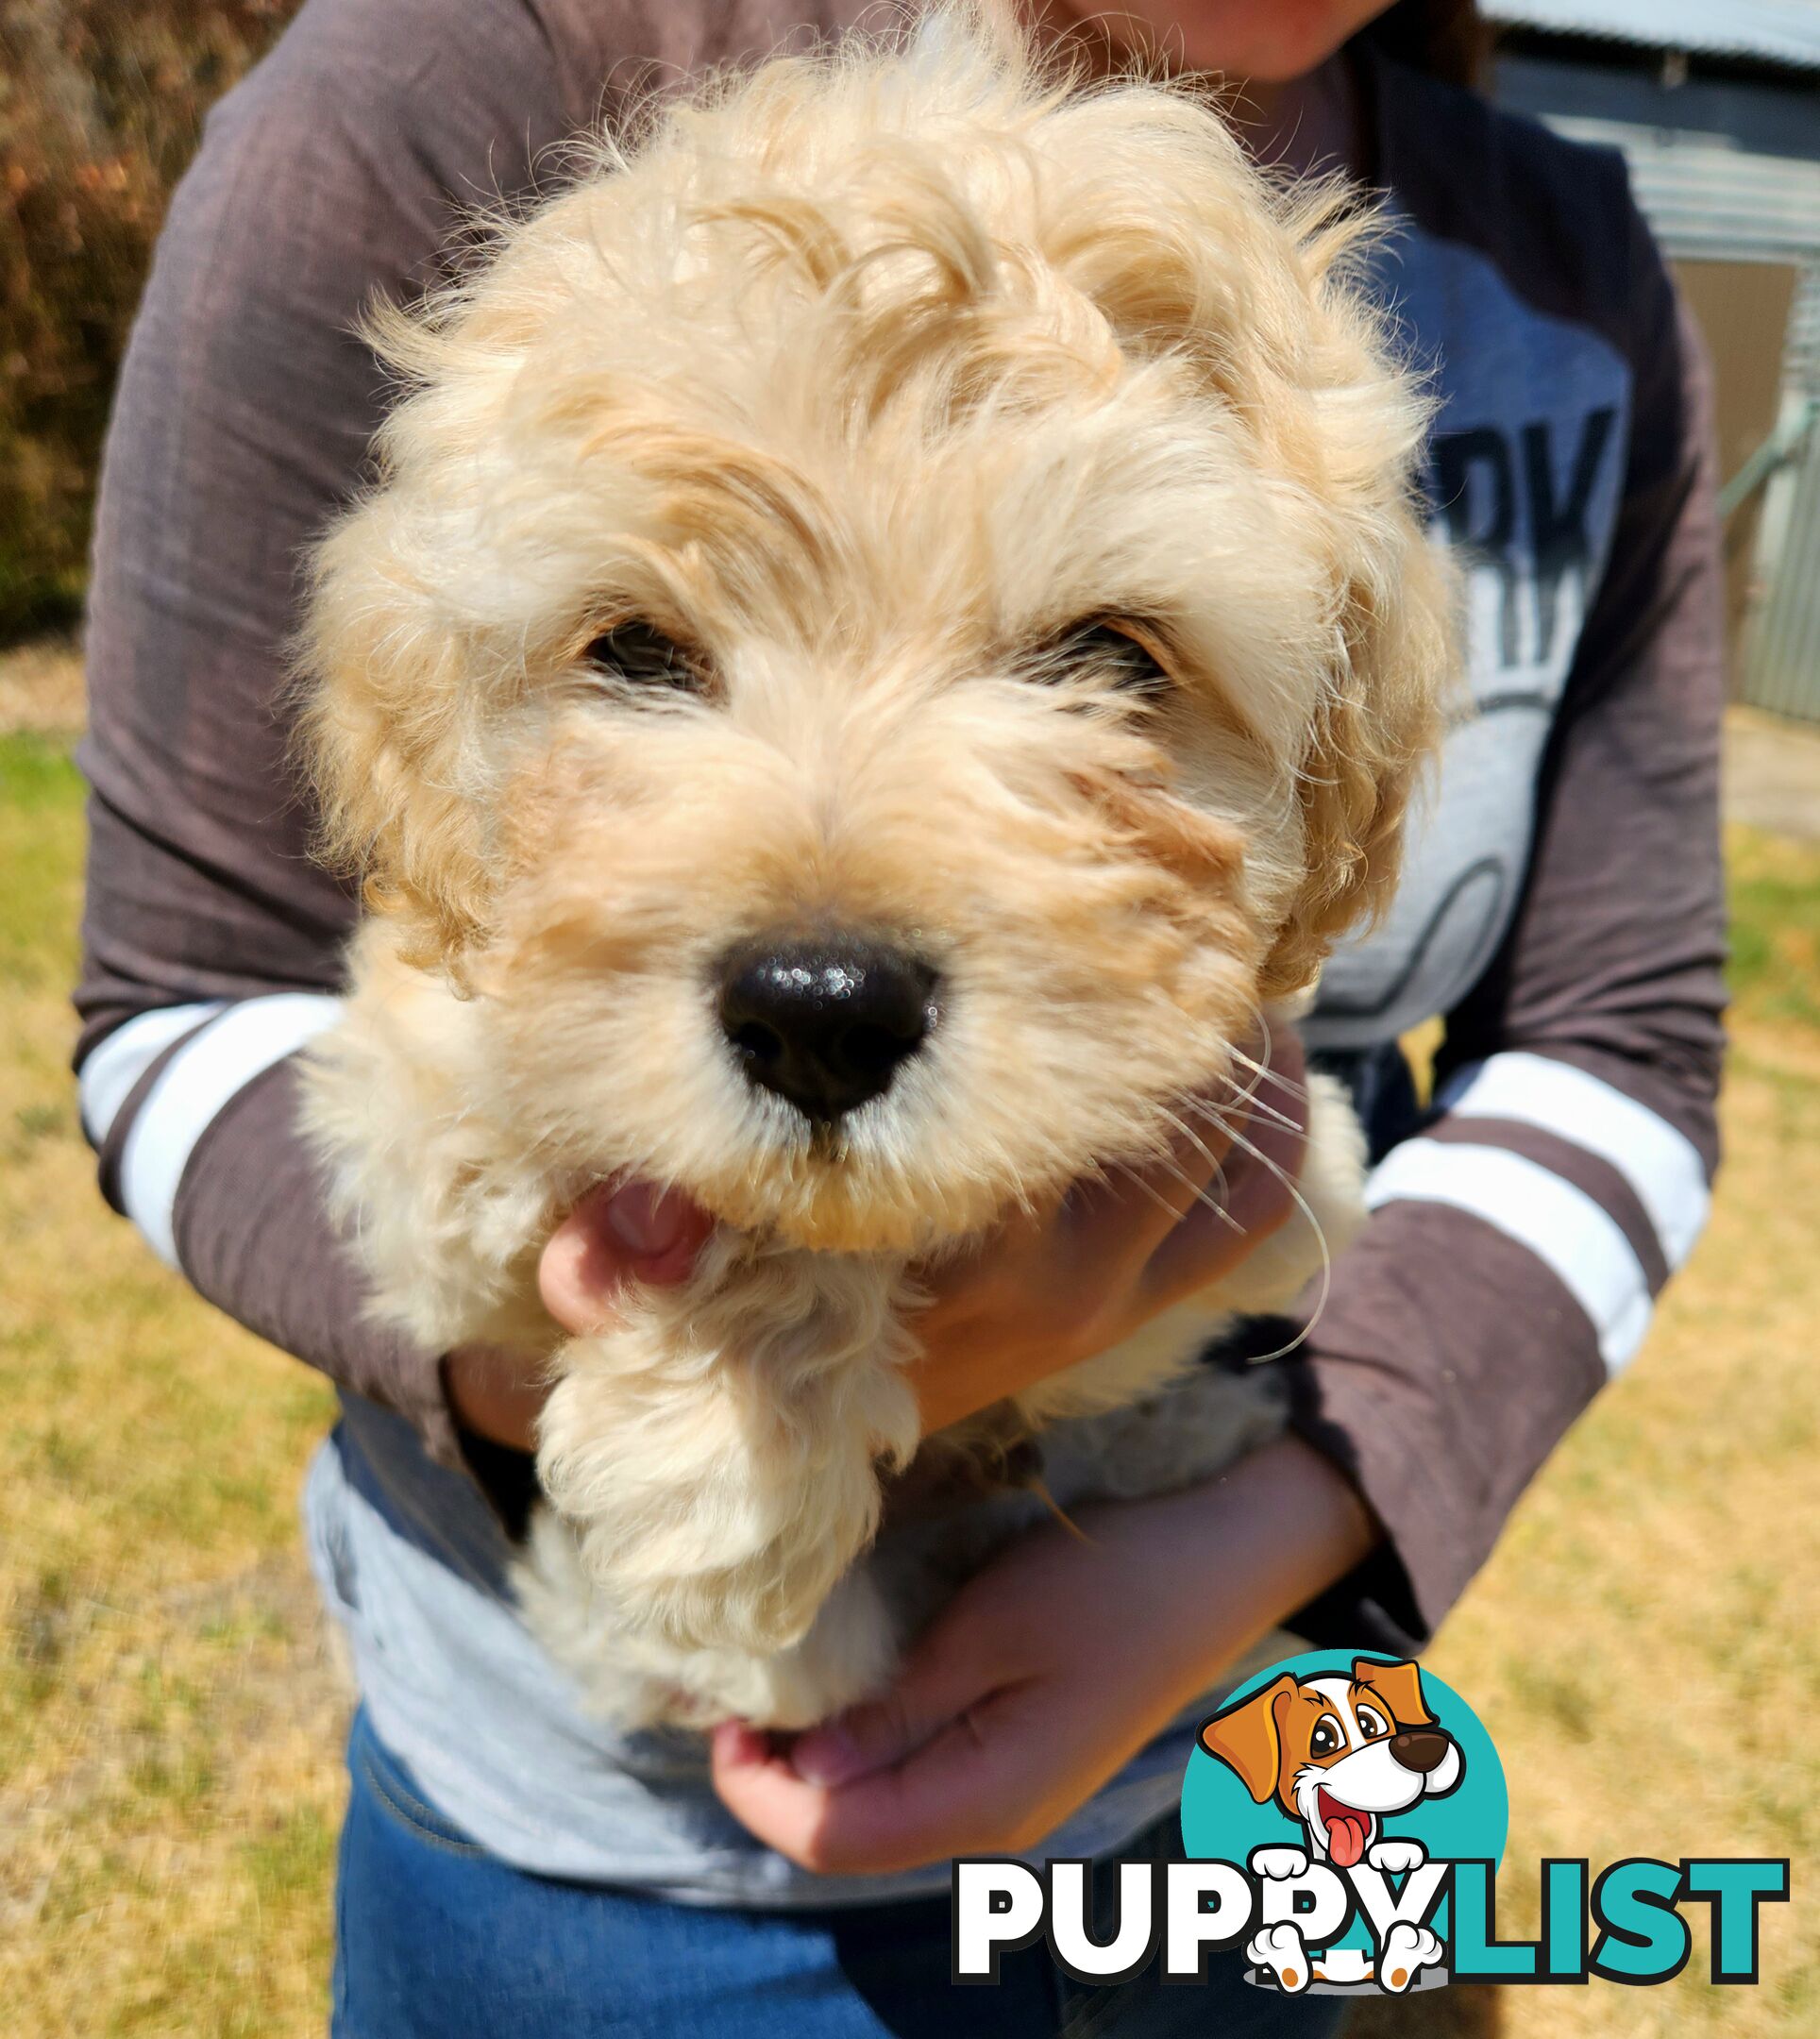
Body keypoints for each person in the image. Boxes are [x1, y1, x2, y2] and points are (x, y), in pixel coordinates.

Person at [74, 0, 1726, 2031]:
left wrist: (1272, 1533)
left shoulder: (1567, 268)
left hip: (1265, 1756)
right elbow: (191, 1014)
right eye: (641, 648)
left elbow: (1615, 1043)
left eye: (1108, 661)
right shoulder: (454, 79)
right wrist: (692, 1353)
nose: (837, 886)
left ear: (1346, 748)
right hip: (623, 1882)